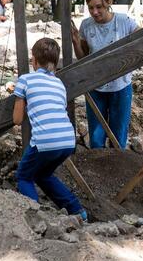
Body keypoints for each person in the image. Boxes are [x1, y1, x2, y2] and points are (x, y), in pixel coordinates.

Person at [13, 37, 87, 221]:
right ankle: (77, 211)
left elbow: (16, 119)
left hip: (45, 141)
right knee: (43, 175)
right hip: (68, 140)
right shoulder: (59, 84)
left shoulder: (25, 80)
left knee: (24, 176)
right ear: (55, 62)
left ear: (34, 60)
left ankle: (34, 216)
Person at [71, 0, 138, 149]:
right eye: (91, 8)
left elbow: (142, 42)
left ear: (108, 2)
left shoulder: (124, 22)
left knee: (118, 137)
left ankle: (117, 171)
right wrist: (75, 41)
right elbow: (83, 57)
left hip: (120, 87)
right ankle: (97, 172)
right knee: (96, 138)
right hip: (96, 88)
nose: (95, 12)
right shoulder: (86, 25)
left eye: (99, 7)